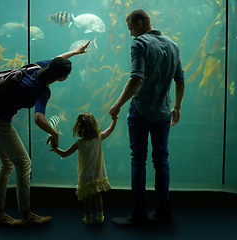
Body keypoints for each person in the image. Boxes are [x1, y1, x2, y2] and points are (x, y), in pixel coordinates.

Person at [0, 41, 90, 226]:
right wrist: (55, 133)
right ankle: (27, 214)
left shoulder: (36, 67)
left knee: (7, 164)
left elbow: (58, 59)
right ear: (62, 78)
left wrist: (76, 52)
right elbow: (39, 118)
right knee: (24, 164)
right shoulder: (42, 90)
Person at [109, 9, 185, 225]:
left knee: (138, 160)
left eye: (131, 28)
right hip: (163, 112)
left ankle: (138, 214)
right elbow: (180, 79)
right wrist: (177, 107)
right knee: (161, 160)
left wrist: (117, 105)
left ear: (140, 23)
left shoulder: (139, 43)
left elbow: (136, 78)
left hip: (141, 111)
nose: (131, 34)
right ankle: (163, 211)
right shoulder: (173, 44)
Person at [49, 112, 117, 225]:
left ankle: (88, 217)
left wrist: (54, 148)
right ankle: (100, 215)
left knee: (87, 197)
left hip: (85, 175)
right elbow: (110, 129)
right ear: (94, 125)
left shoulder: (79, 143)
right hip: (98, 174)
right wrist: (114, 119)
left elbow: (65, 154)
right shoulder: (99, 138)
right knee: (98, 195)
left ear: (79, 128)